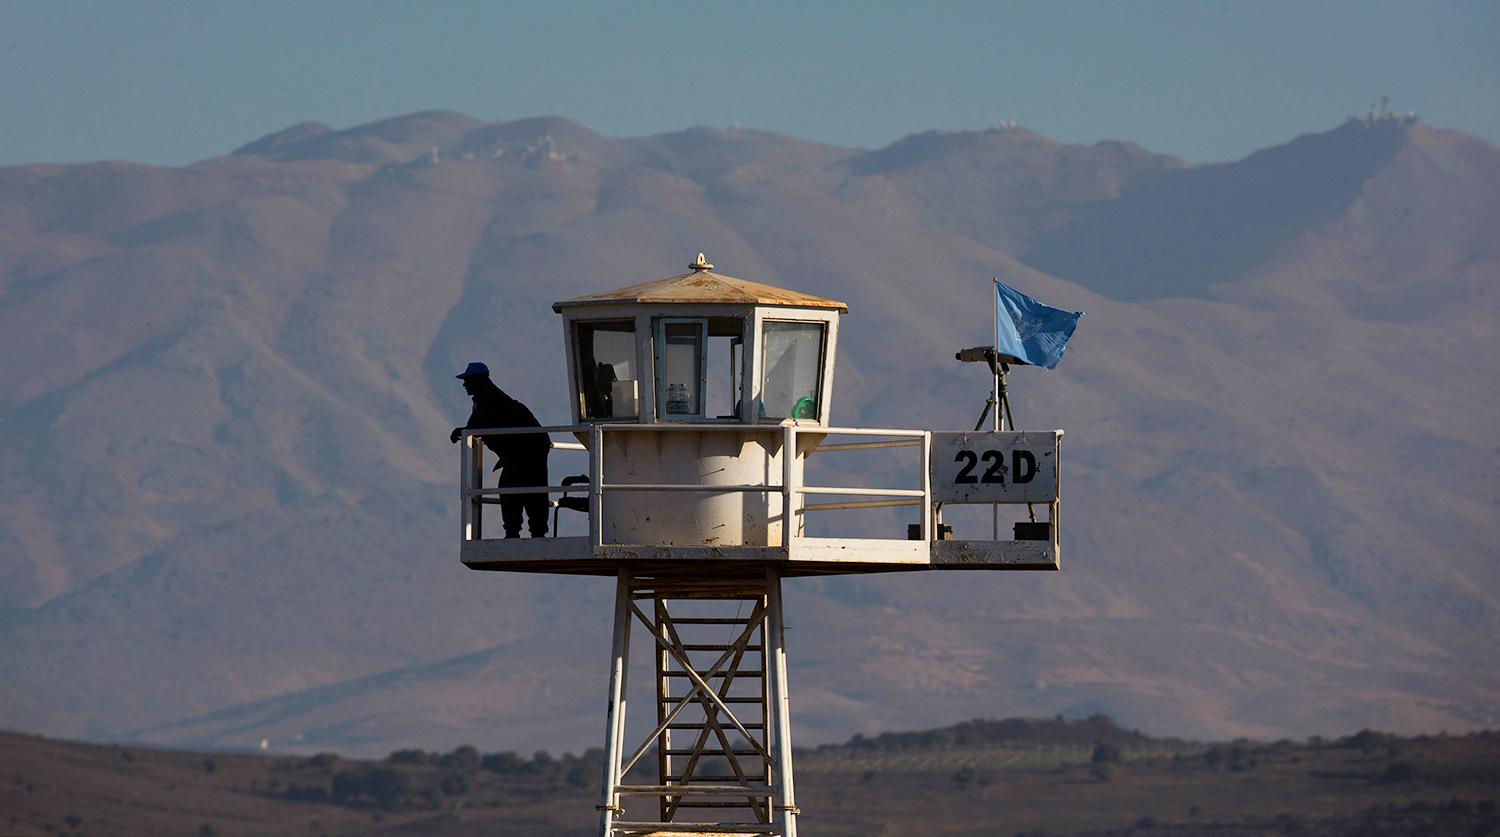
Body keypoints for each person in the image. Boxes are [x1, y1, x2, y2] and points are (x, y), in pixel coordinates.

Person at [449, 362, 551, 538]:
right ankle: (538, 531)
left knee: (509, 487)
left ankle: (513, 531)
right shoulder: (490, 395)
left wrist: (461, 432)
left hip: (525, 449)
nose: (465, 385)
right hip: (533, 444)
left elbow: (476, 423)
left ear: (479, 379)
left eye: (468, 380)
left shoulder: (487, 397)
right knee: (533, 487)